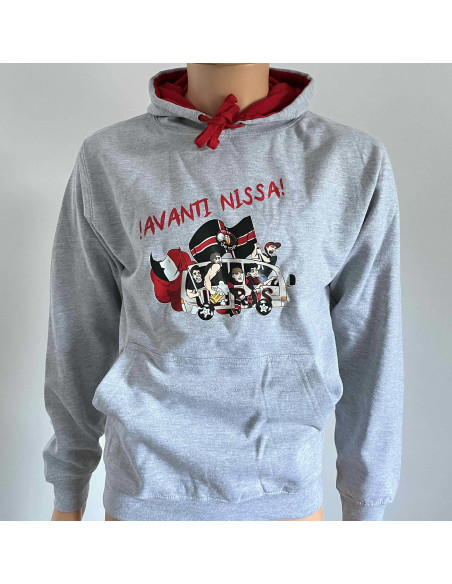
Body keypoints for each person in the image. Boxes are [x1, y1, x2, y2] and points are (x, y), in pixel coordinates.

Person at [44, 63, 403, 522]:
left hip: (285, 499)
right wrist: (68, 488)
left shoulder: (348, 159)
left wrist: (366, 504)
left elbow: (371, 346)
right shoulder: (109, 156)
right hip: (145, 493)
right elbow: (78, 332)